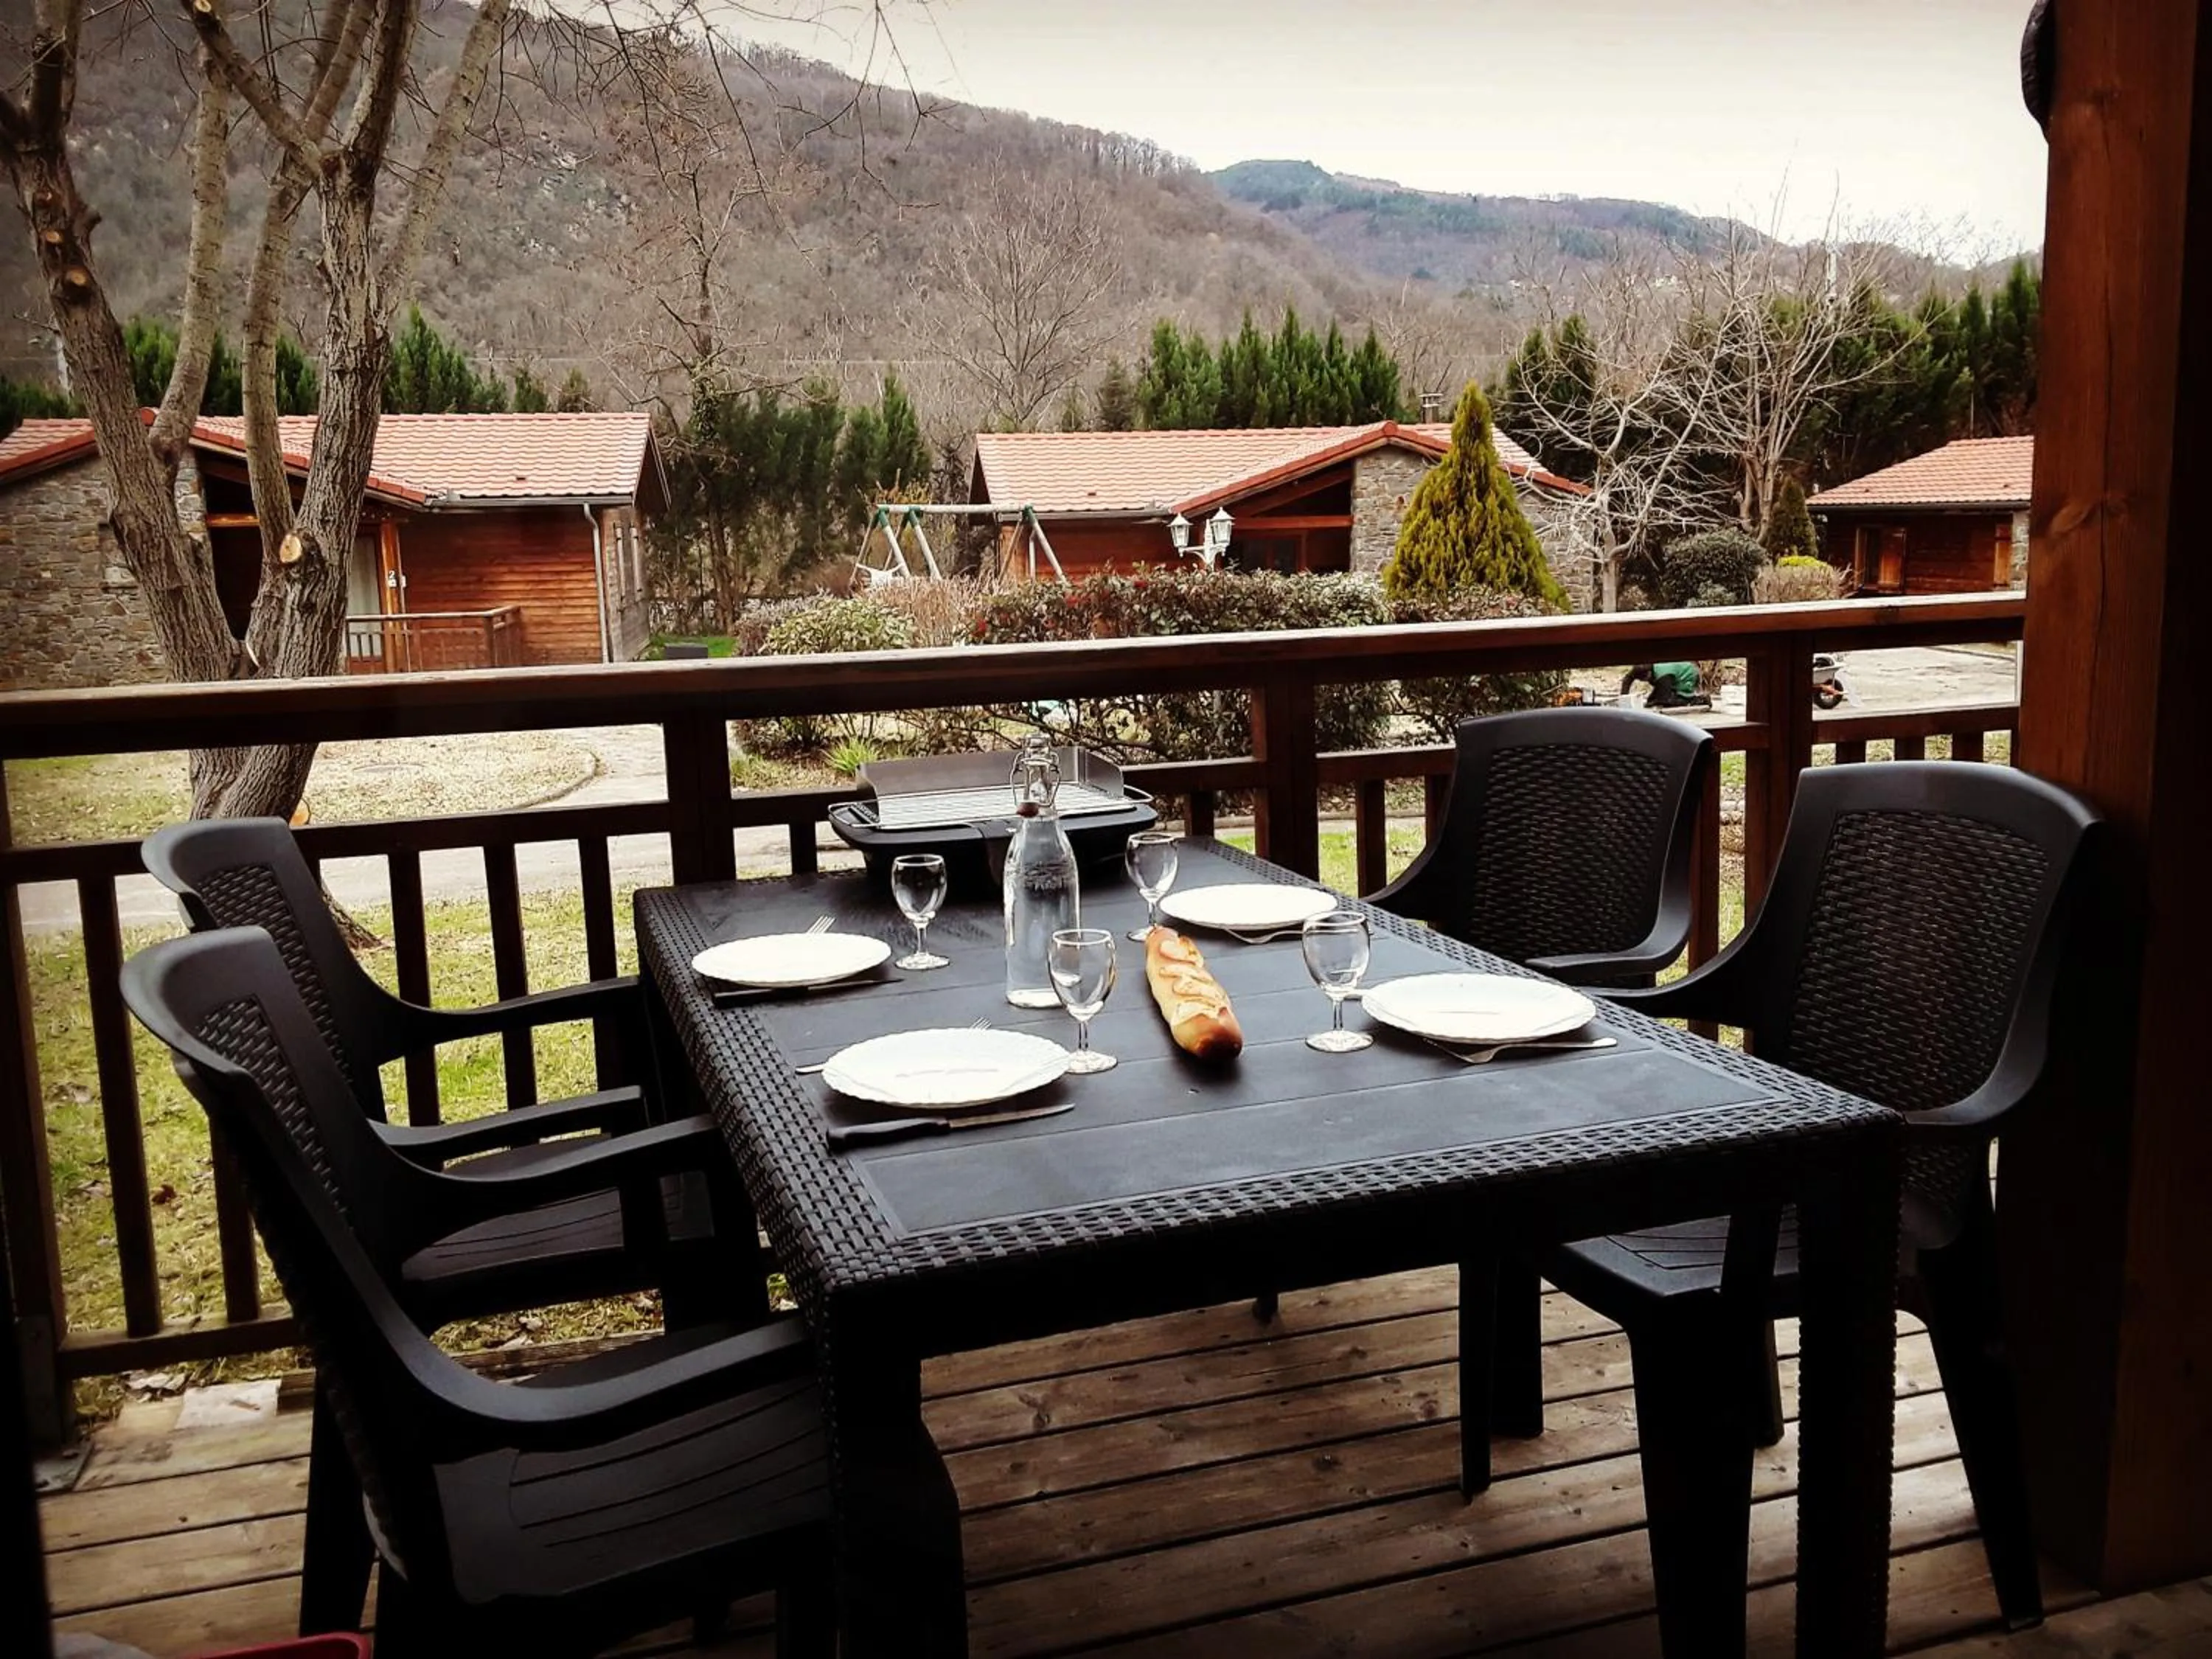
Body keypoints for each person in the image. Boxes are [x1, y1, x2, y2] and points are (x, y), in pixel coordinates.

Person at [1621, 661, 1703, 709]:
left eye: (1646, 679)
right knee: (1651, 701)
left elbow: (1663, 700)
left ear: (1649, 673)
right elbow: (1627, 679)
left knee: (1669, 702)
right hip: (1672, 675)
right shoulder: (1640, 667)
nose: (1647, 682)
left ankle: (1696, 700)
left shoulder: (1663, 676)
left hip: (1687, 675)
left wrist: (1654, 703)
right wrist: (1623, 699)